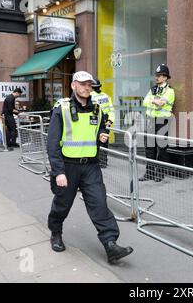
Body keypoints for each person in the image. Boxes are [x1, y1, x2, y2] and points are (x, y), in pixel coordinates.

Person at [47, 71, 133, 264]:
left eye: (90, 85)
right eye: (83, 84)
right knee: (62, 204)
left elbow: (102, 128)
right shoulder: (62, 108)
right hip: (68, 167)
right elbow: (52, 144)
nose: (87, 87)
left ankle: (110, 244)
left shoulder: (97, 108)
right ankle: (56, 232)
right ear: (73, 86)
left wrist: (102, 134)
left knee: (99, 204)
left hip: (91, 166)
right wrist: (58, 171)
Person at [139, 64, 175, 183]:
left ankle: (160, 173)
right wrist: (155, 101)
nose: (157, 78)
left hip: (162, 121)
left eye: (159, 76)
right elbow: (144, 102)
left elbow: (161, 103)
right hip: (151, 120)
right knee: (149, 148)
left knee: (161, 149)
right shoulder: (153, 89)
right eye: (156, 75)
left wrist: (153, 101)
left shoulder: (169, 91)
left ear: (165, 77)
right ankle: (149, 173)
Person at [91, 79, 115, 168]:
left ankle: (99, 161)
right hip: (105, 121)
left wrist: (109, 121)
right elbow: (112, 110)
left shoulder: (90, 96)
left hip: (97, 121)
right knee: (104, 142)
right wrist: (110, 121)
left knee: (98, 142)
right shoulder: (106, 96)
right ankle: (103, 161)